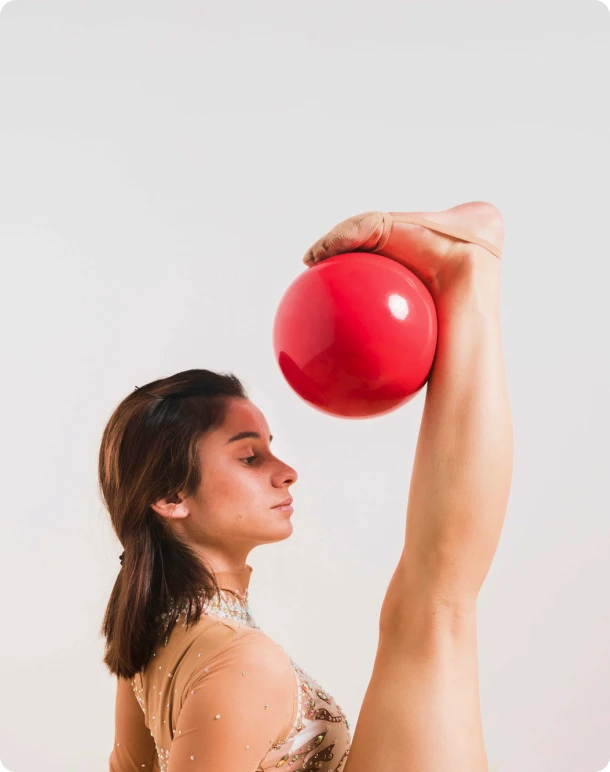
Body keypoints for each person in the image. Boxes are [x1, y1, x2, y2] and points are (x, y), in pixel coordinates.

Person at [102, 200, 513, 771]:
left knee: (429, 608)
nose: (285, 470)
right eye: (249, 457)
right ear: (172, 497)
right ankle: (469, 275)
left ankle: (468, 272)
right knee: (433, 610)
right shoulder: (242, 665)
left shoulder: (146, 644)